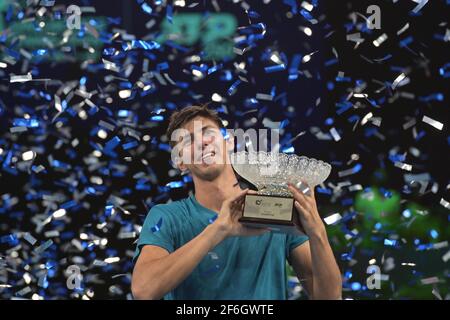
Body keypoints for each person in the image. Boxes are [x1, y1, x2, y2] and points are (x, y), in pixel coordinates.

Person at [131, 105, 342, 300]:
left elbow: (329, 297)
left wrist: (317, 232)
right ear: (180, 162)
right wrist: (218, 230)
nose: (202, 142)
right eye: (187, 141)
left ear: (229, 142)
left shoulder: (273, 208)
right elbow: (144, 290)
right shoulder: (168, 216)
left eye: (208, 132)